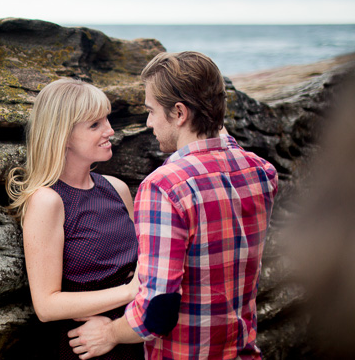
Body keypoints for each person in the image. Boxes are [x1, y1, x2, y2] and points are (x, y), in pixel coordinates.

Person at [68, 51, 278, 359]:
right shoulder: (261, 172)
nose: (149, 122)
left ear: (179, 113)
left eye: (151, 111)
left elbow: (159, 311)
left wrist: (109, 332)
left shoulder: (164, 188)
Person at [7, 78, 144, 360]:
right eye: (95, 125)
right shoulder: (47, 201)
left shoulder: (117, 189)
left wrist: (117, 328)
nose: (110, 130)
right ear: (63, 136)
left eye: (106, 119)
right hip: (85, 349)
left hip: (133, 337)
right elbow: (46, 306)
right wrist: (129, 292)